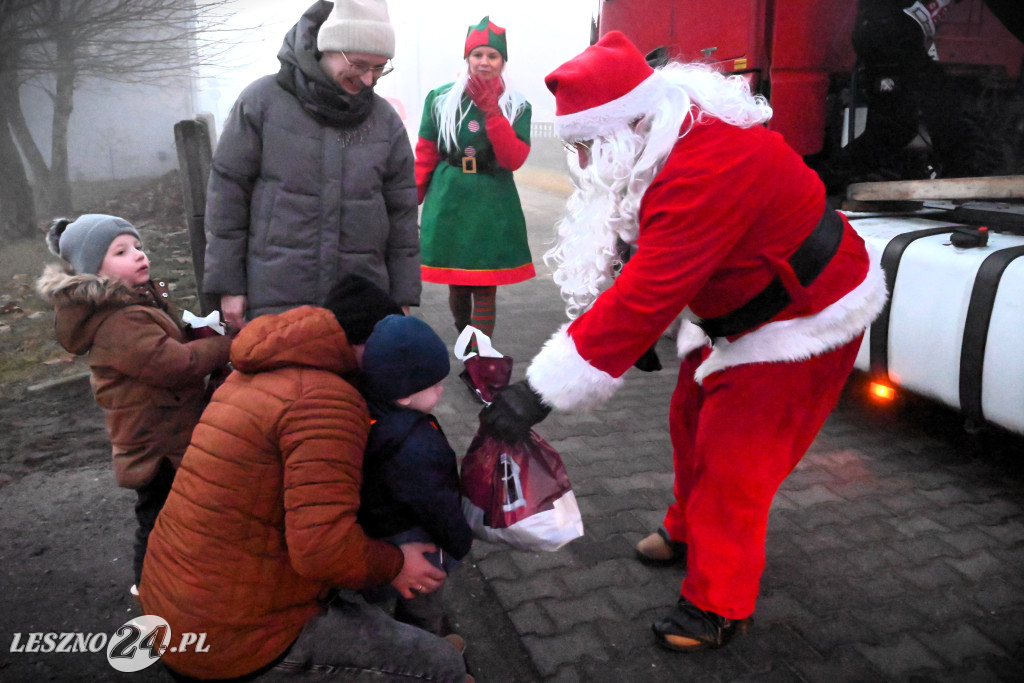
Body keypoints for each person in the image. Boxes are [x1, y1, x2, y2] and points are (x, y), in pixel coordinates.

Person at [481, 32, 888, 652]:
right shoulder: (660, 136)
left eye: (590, 144)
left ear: (625, 124)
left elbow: (648, 291)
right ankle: (687, 529)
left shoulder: (706, 161)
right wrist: (633, 317)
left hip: (807, 311)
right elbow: (639, 244)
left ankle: (718, 601)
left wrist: (537, 394)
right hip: (737, 300)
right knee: (687, 420)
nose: (586, 162)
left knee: (735, 462)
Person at [139, 275, 470, 681]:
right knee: (444, 668)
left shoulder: (261, 371)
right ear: (364, 345)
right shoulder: (326, 401)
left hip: (175, 604)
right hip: (233, 639)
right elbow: (321, 549)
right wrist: (396, 564)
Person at [35, 214, 232, 589]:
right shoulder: (117, 321)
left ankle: (189, 585)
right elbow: (174, 364)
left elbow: (165, 344)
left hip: (164, 431)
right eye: (122, 251)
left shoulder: (137, 301)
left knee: (184, 514)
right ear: (94, 269)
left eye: (138, 247)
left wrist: (194, 331)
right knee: (158, 519)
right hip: (155, 447)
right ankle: (150, 593)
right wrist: (227, 345)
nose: (139, 255)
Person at [204, 0, 420, 331]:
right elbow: (227, 198)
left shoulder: (385, 123)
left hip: (360, 302)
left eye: (379, 68)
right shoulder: (261, 103)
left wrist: (402, 294)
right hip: (275, 295)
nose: (367, 80)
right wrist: (229, 285)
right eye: (360, 64)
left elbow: (402, 217)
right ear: (327, 47)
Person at [414, 16, 534, 339]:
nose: (484, 62)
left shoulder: (518, 106)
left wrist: (493, 112)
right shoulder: (440, 100)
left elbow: (513, 159)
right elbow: (425, 152)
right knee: (459, 283)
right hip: (449, 196)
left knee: (485, 285)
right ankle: (464, 333)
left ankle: (479, 355)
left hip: (492, 200)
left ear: (502, 62)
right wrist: (409, 200)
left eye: (492, 56)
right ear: (467, 58)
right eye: (477, 55)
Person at [358, 314, 474, 636]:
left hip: (377, 529)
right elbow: (437, 503)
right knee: (424, 600)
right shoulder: (415, 445)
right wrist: (459, 541)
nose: (441, 390)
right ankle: (427, 644)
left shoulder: (367, 412)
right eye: (434, 384)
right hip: (413, 540)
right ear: (404, 396)